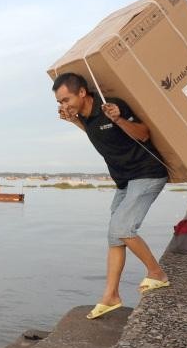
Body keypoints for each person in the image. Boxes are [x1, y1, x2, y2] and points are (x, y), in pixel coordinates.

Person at [53, 72, 170, 319]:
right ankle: (111, 296)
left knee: (122, 228)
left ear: (82, 92)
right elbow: (95, 130)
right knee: (114, 236)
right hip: (125, 182)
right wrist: (72, 119)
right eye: (60, 103)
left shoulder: (111, 107)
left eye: (66, 100)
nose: (63, 106)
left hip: (148, 174)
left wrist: (118, 120)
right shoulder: (86, 118)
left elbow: (143, 134)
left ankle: (156, 273)